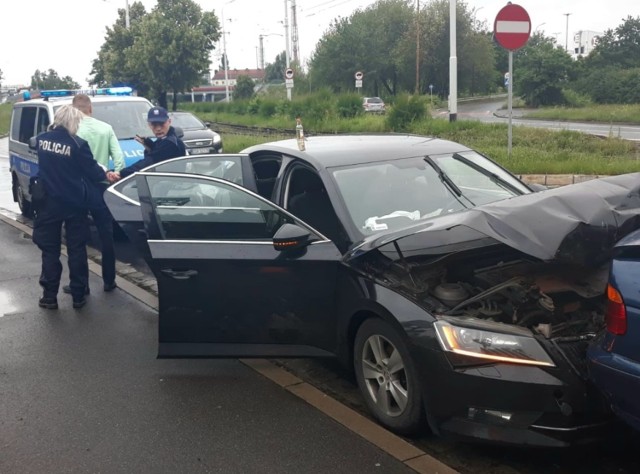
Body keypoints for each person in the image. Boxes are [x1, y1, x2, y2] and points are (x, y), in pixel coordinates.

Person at [32, 105, 108, 310]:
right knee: (76, 249)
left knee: (50, 251)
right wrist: (106, 176)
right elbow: (92, 171)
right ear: (73, 122)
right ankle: (78, 295)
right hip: (75, 204)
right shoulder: (78, 143)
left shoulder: (41, 140)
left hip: (48, 203)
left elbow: (35, 147)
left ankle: (49, 297)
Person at [59, 93, 124, 294]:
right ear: (91, 108)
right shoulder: (106, 128)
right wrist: (114, 173)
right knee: (106, 235)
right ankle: (109, 280)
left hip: (77, 189)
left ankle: (81, 284)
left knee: (77, 238)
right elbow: (119, 159)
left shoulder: (70, 131)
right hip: (100, 187)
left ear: (73, 109)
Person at [111, 106, 186, 181]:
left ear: (169, 122)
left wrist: (122, 173)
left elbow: (147, 163)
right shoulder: (165, 139)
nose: (158, 128)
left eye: (161, 124)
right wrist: (149, 144)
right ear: (149, 125)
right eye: (154, 124)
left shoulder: (170, 142)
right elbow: (158, 153)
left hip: (172, 185)